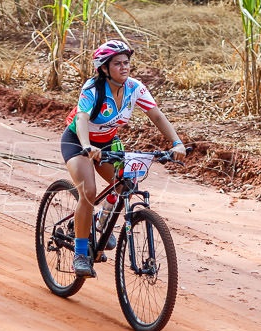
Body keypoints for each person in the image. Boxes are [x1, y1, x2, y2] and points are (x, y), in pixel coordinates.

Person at [61, 39, 187, 277]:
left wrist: (176, 143)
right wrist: (87, 146)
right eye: (117, 63)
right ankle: (80, 254)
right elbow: (81, 120)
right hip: (78, 140)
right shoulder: (93, 89)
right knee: (88, 191)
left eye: (126, 62)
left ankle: (99, 221)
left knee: (126, 183)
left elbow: (157, 117)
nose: (124, 67)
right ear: (104, 68)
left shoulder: (135, 88)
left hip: (107, 142)